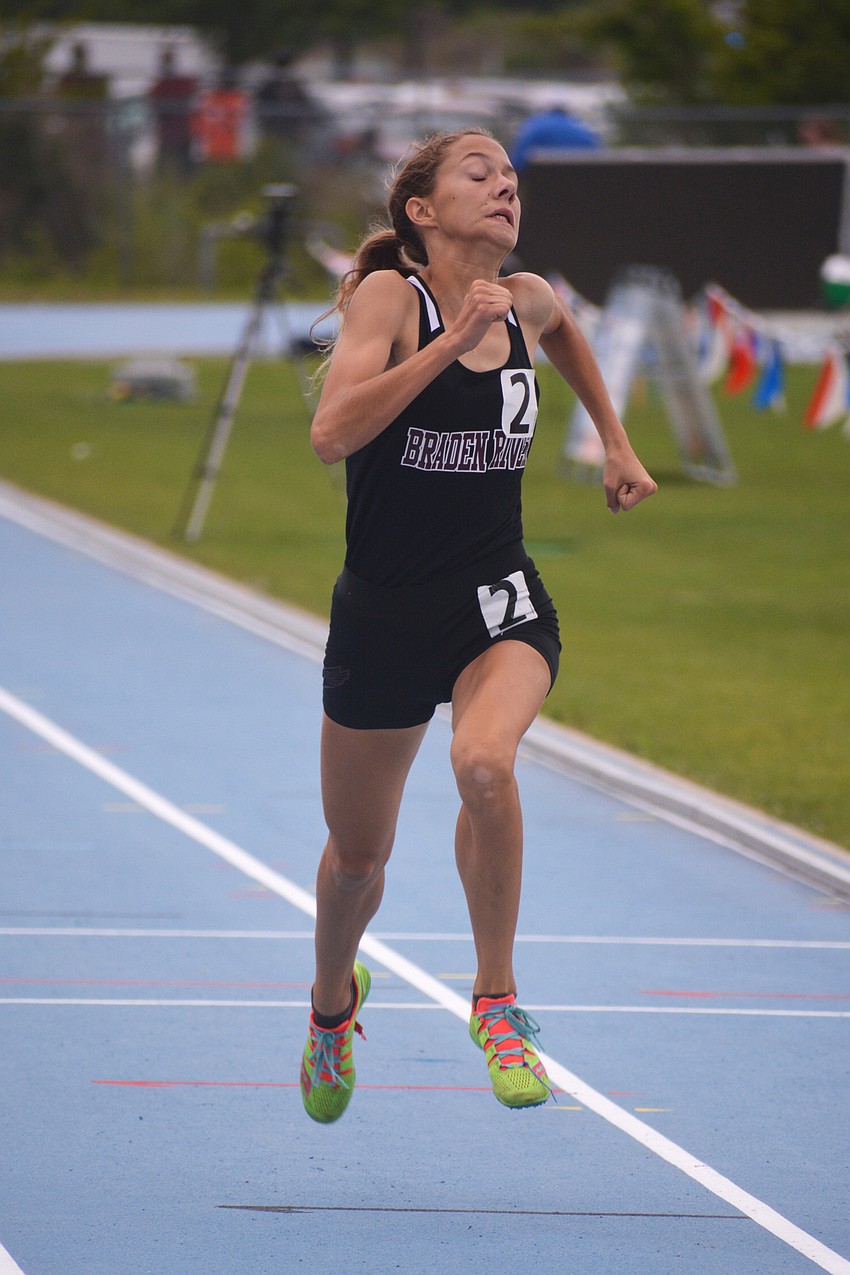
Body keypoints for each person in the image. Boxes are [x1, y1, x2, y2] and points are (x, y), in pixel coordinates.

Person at [300, 129, 656, 1124]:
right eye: (479, 173)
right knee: (357, 859)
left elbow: (566, 334)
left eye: (512, 178)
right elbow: (331, 434)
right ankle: (332, 1004)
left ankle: (495, 1001)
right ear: (421, 210)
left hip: (496, 602)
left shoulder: (528, 299)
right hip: (380, 616)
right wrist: (452, 345)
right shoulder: (390, 302)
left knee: (485, 766)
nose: (505, 187)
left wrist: (616, 443)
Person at [510, 104, 601, 174]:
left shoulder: (535, 125)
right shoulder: (583, 129)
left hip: (539, 189)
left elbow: (517, 163)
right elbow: (597, 162)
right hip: (579, 187)